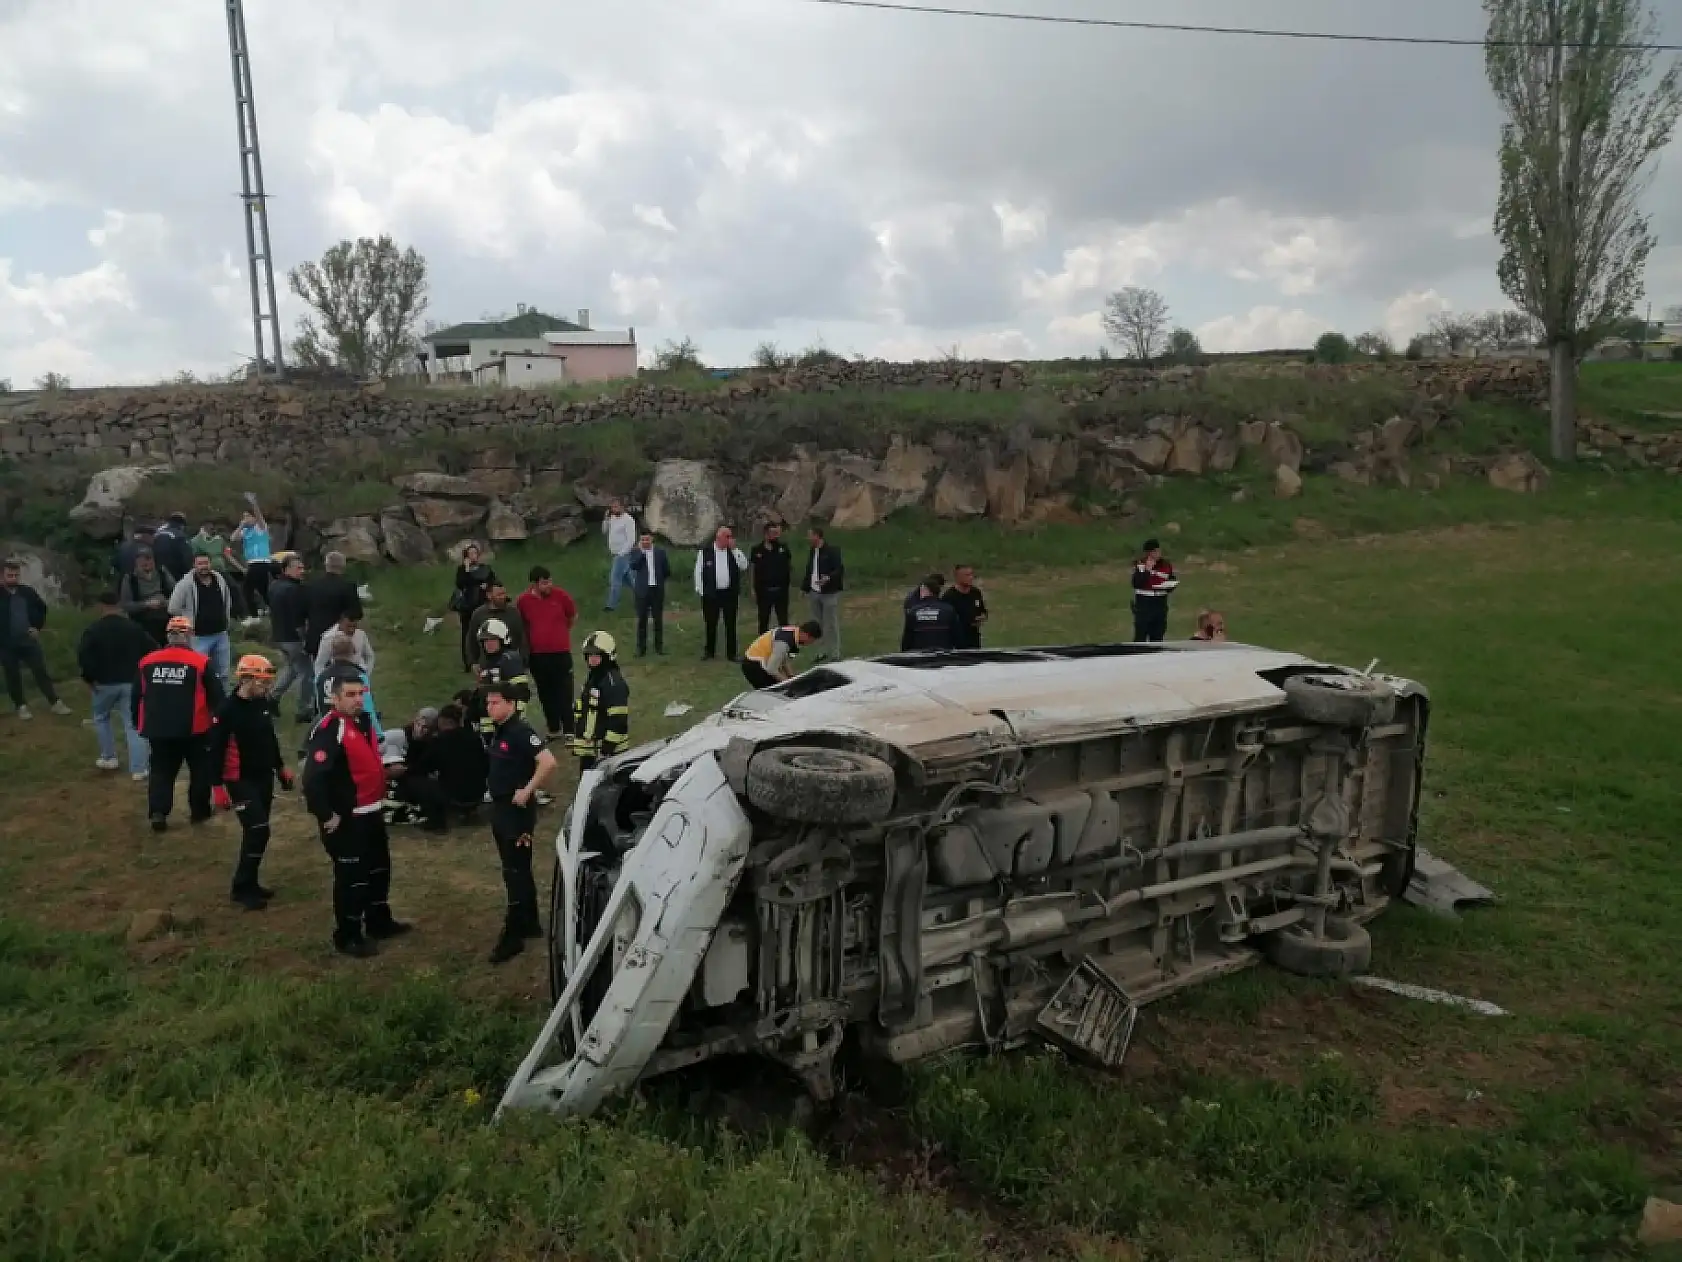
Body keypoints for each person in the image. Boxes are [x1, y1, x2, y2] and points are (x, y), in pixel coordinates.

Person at [303, 672, 411, 958]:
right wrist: (326, 815)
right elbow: (313, 779)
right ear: (334, 698)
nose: (357, 700)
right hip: (348, 817)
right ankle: (348, 935)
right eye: (350, 695)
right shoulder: (329, 729)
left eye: (360, 693)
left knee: (379, 870)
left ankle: (379, 921)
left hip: (372, 810)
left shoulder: (364, 721)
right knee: (352, 878)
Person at [208, 654, 294, 910]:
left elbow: (269, 738)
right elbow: (215, 750)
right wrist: (217, 787)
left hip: (263, 776)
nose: (267, 687)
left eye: (268, 683)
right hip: (239, 778)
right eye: (262, 682)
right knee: (258, 829)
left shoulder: (261, 703)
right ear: (246, 679)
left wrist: (280, 767)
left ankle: (250, 882)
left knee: (257, 832)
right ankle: (241, 887)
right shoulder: (227, 710)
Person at [483, 681, 559, 964]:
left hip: (515, 811)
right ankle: (530, 922)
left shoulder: (520, 731)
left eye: (495, 703)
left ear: (511, 704)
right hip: (501, 808)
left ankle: (513, 934)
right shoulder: (500, 730)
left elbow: (548, 762)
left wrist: (527, 790)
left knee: (515, 870)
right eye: (488, 703)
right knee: (516, 868)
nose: (489, 708)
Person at [133, 615, 223, 831]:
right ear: (190, 636)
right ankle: (199, 812)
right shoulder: (201, 662)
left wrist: (137, 721)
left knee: (161, 771)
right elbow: (217, 697)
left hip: (158, 728)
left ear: (168, 636)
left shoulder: (147, 662)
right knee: (200, 771)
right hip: (194, 729)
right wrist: (220, 724)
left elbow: (136, 695)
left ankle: (158, 812)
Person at [77, 590, 156, 777]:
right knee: (132, 724)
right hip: (131, 681)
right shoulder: (134, 628)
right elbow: (152, 649)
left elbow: (84, 657)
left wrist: (89, 678)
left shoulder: (93, 630)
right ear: (119, 605)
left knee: (101, 718)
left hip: (103, 684)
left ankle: (109, 757)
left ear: (100, 606)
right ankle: (139, 768)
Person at [0, 557, 70, 719]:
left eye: (16, 575)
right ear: (2, 575)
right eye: (9, 575)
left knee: (40, 670)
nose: (13, 579)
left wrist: (37, 627)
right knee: (12, 675)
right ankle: (21, 706)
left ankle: (55, 702)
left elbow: (41, 608)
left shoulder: (27, 592)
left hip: (28, 640)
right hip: (6, 643)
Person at [517, 566, 577, 738]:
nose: (549, 585)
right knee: (545, 693)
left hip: (561, 653)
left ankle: (569, 729)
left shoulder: (561, 595)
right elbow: (522, 624)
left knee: (565, 691)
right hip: (538, 656)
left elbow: (572, 615)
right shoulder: (523, 601)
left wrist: (561, 632)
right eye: (544, 583)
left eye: (550, 581)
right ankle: (553, 728)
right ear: (534, 584)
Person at [168, 553, 235, 687]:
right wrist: (188, 623)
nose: (204, 566)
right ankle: (201, 697)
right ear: (194, 565)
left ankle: (222, 698)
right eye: (200, 563)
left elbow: (227, 600)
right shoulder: (185, 584)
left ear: (210, 564)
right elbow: (173, 608)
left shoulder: (219, 579)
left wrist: (227, 619)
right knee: (199, 672)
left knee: (223, 673)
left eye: (206, 563)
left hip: (221, 634)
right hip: (198, 637)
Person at [570, 631, 629, 771]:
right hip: (592, 751)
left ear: (608, 656)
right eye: (589, 655)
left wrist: (606, 750)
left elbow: (618, 721)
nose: (592, 659)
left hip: (608, 753)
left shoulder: (613, 683)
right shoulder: (595, 677)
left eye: (597, 655)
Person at [267, 553, 314, 723]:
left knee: (291, 669)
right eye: (298, 568)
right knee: (306, 673)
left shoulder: (274, 586)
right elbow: (297, 618)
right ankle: (304, 710)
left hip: (279, 636)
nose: (302, 571)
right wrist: (304, 638)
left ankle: (272, 698)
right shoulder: (295, 590)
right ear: (286, 569)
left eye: (302, 568)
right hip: (293, 638)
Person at [470, 618, 533, 742]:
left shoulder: (510, 659)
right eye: (485, 640)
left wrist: (514, 717)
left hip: (505, 722)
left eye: (492, 639)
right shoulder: (487, 662)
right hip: (488, 723)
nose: (488, 643)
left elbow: (521, 691)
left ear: (503, 639)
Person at [694, 526, 747, 661]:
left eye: (731, 537)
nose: (730, 539)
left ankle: (732, 654)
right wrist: (702, 591)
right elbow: (698, 572)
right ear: (719, 538)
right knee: (711, 623)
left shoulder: (733, 552)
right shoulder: (705, 552)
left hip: (729, 594)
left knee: (731, 624)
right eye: (727, 537)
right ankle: (709, 652)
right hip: (711, 594)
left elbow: (744, 566)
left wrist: (735, 550)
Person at [303, 550, 363, 662]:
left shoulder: (311, 585)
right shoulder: (348, 587)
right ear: (343, 566)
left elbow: (304, 610)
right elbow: (356, 613)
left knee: (319, 667)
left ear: (326, 565)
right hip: (339, 638)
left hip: (315, 636)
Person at [450, 543, 497, 672]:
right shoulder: (462, 570)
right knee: (467, 634)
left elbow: (493, 581)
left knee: (485, 632)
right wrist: (467, 569)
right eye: (470, 553)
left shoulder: (485, 568)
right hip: (467, 607)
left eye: (475, 553)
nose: (473, 556)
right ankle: (468, 662)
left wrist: (486, 585)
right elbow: (461, 583)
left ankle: (485, 659)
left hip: (482, 605)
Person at [118, 547, 177, 645]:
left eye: (148, 559)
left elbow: (177, 593)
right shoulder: (130, 579)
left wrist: (166, 602)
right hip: (143, 621)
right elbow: (126, 605)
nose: (146, 562)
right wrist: (146, 604)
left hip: (165, 617)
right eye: (142, 560)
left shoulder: (162, 572)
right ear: (136, 562)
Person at [803, 527, 845, 661]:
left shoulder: (832, 551)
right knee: (817, 623)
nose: (808, 538)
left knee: (830, 623)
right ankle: (822, 651)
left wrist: (828, 578)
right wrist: (805, 588)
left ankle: (835, 653)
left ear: (817, 536)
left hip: (829, 592)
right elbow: (810, 570)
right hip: (814, 592)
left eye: (810, 535)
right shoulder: (812, 551)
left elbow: (839, 569)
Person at [742, 621, 823, 689]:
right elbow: (771, 669)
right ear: (806, 635)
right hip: (754, 665)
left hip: (762, 663)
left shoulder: (794, 632)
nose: (810, 643)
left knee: (780, 688)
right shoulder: (784, 642)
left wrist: (791, 676)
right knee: (773, 693)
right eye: (811, 641)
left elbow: (784, 658)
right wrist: (788, 683)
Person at [626, 531, 669, 657]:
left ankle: (659, 647)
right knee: (642, 620)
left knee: (658, 619)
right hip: (642, 591)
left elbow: (666, 570)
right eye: (643, 540)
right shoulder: (636, 552)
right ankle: (641, 649)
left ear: (652, 540)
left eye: (647, 539)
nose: (645, 542)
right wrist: (642, 553)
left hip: (656, 590)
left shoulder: (660, 552)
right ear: (640, 541)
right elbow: (633, 566)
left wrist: (660, 581)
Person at [229, 495, 273, 614]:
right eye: (244, 517)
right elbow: (233, 538)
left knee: (247, 589)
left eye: (248, 516)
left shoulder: (260, 528)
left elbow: (259, 517)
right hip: (252, 563)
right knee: (263, 589)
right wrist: (241, 525)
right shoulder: (245, 531)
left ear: (254, 518)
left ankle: (253, 615)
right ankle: (272, 608)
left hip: (261, 561)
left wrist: (254, 504)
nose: (245, 519)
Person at [1131, 538, 1179, 643]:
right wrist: (1147, 570)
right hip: (1145, 603)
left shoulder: (1165, 565)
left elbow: (1171, 579)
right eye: (1155, 551)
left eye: (1158, 550)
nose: (1158, 553)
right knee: (1141, 636)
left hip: (1160, 602)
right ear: (1149, 553)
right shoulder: (1140, 565)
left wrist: (1170, 586)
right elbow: (1137, 583)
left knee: (1158, 635)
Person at [468, 580, 527, 665]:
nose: (503, 597)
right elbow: (472, 640)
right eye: (499, 595)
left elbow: (522, 638)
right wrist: (474, 662)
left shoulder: (513, 613)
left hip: (509, 663)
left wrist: (523, 658)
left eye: (503, 594)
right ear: (489, 595)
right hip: (486, 664)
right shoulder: (478, 614)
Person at [749, 522, 793, 635]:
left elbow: (789, 566)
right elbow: (752, 569)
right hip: (763, 591)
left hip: (781, 590)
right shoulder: (756, 550)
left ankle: (785, 642)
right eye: (772, 533)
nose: (775, 535)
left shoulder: (783, 548)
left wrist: (788, 583)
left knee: (783, 619)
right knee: (763, 619)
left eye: (776, 533)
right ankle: (763, 642)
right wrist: (752, 588)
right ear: (766, 534)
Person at [902, 574, 959, 652]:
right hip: (943, 654)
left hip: (919, 654)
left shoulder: (913, 610)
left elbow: (907, 638)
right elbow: (957, 636)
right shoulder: (949, 610)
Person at [312, 613, 375, 680]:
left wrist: (367, 674)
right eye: (348, 626)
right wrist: (320, 680)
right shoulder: (328, 638)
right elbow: (320, 663)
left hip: (358, 674)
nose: (351, 630)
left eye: (354, 626)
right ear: (340, 623)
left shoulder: (361, 634)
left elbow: (369, 656)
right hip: (337, 676)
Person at [602, 498, 638, 612]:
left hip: (623, 554)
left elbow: (631, 540)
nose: (614, 509)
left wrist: (621, 554)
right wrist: (606, 519)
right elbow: (604, 531)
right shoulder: (612, 518)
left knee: (615, 579)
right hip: (615, 554)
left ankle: (611, 605)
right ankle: (644, 599)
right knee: (630, 581)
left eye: (616, 507)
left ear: (622, 507)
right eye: (612, 507)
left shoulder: (628, 520)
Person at [942, 565, 989, 650]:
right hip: (956, 640)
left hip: (974, 639)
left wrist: (982, 617)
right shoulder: (949, 596)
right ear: (957, 577)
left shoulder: (976, 592)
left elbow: (983, 611)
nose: (971, 577)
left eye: (972, 574)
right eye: (967, 575)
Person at [150, 513, 195, 581]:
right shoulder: (180, 536)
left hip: (158, 572)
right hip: (176, 574)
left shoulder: (157, 534)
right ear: (182, 525)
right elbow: (187, 557)